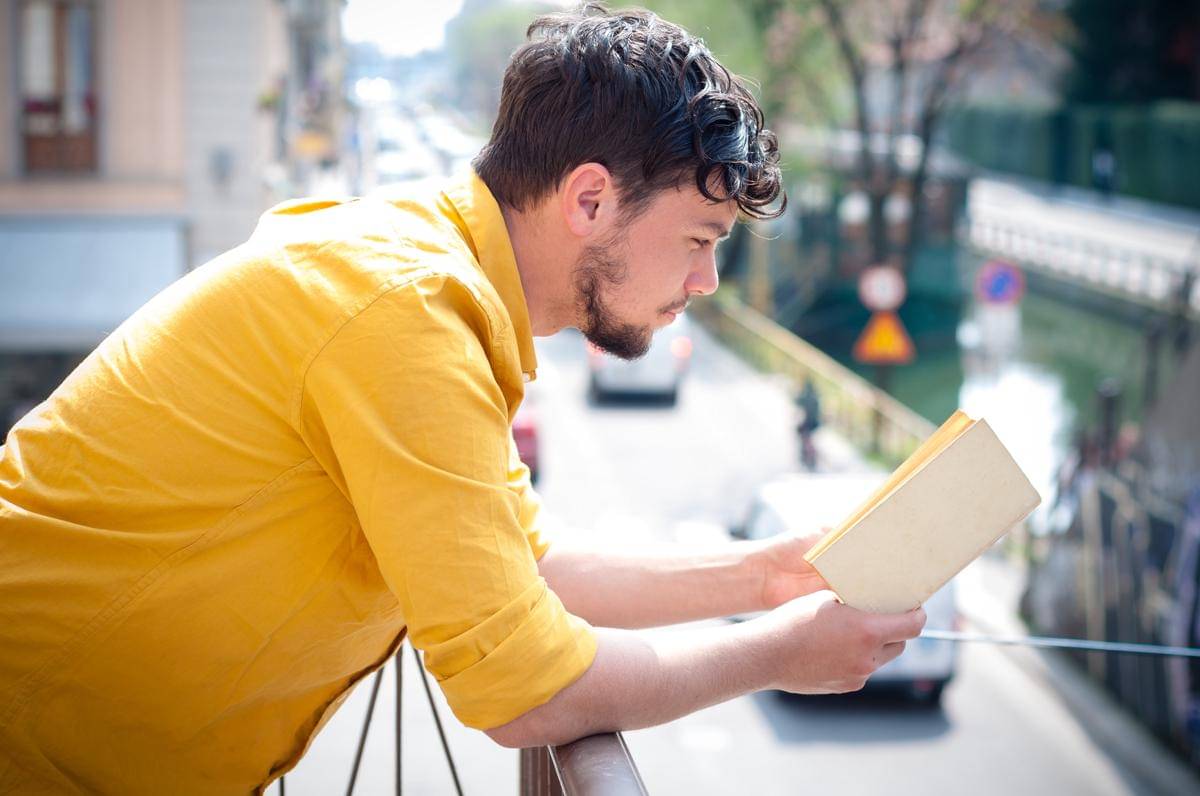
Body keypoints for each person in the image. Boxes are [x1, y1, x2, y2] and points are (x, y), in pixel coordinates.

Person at [0, 6, 925, 793]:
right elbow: (526, 690)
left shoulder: (421, 268)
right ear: (590, 200)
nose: (707, 281)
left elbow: (524, 568)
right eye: (699, 238)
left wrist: (764, 576)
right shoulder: (406, 313)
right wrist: (778, 654)